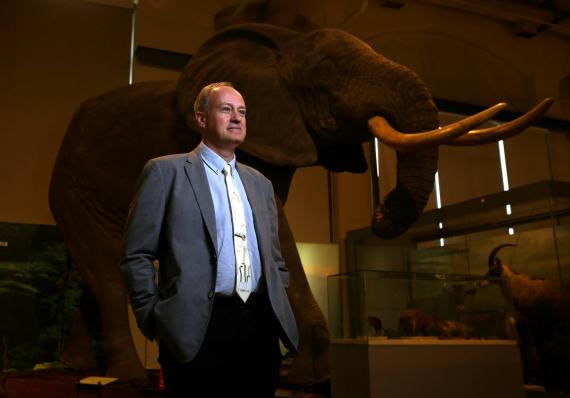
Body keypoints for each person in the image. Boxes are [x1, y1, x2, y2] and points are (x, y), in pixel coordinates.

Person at [120, 82, 298, 397]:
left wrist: (276, 295)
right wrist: (153, 319)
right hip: (195, 328)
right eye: (226, 109)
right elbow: (136, 254)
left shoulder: (261, 184)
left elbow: (274, 258)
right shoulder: (165, 172)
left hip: (259, 325)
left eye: (242, 112)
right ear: (201, 119)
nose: (237, 118)